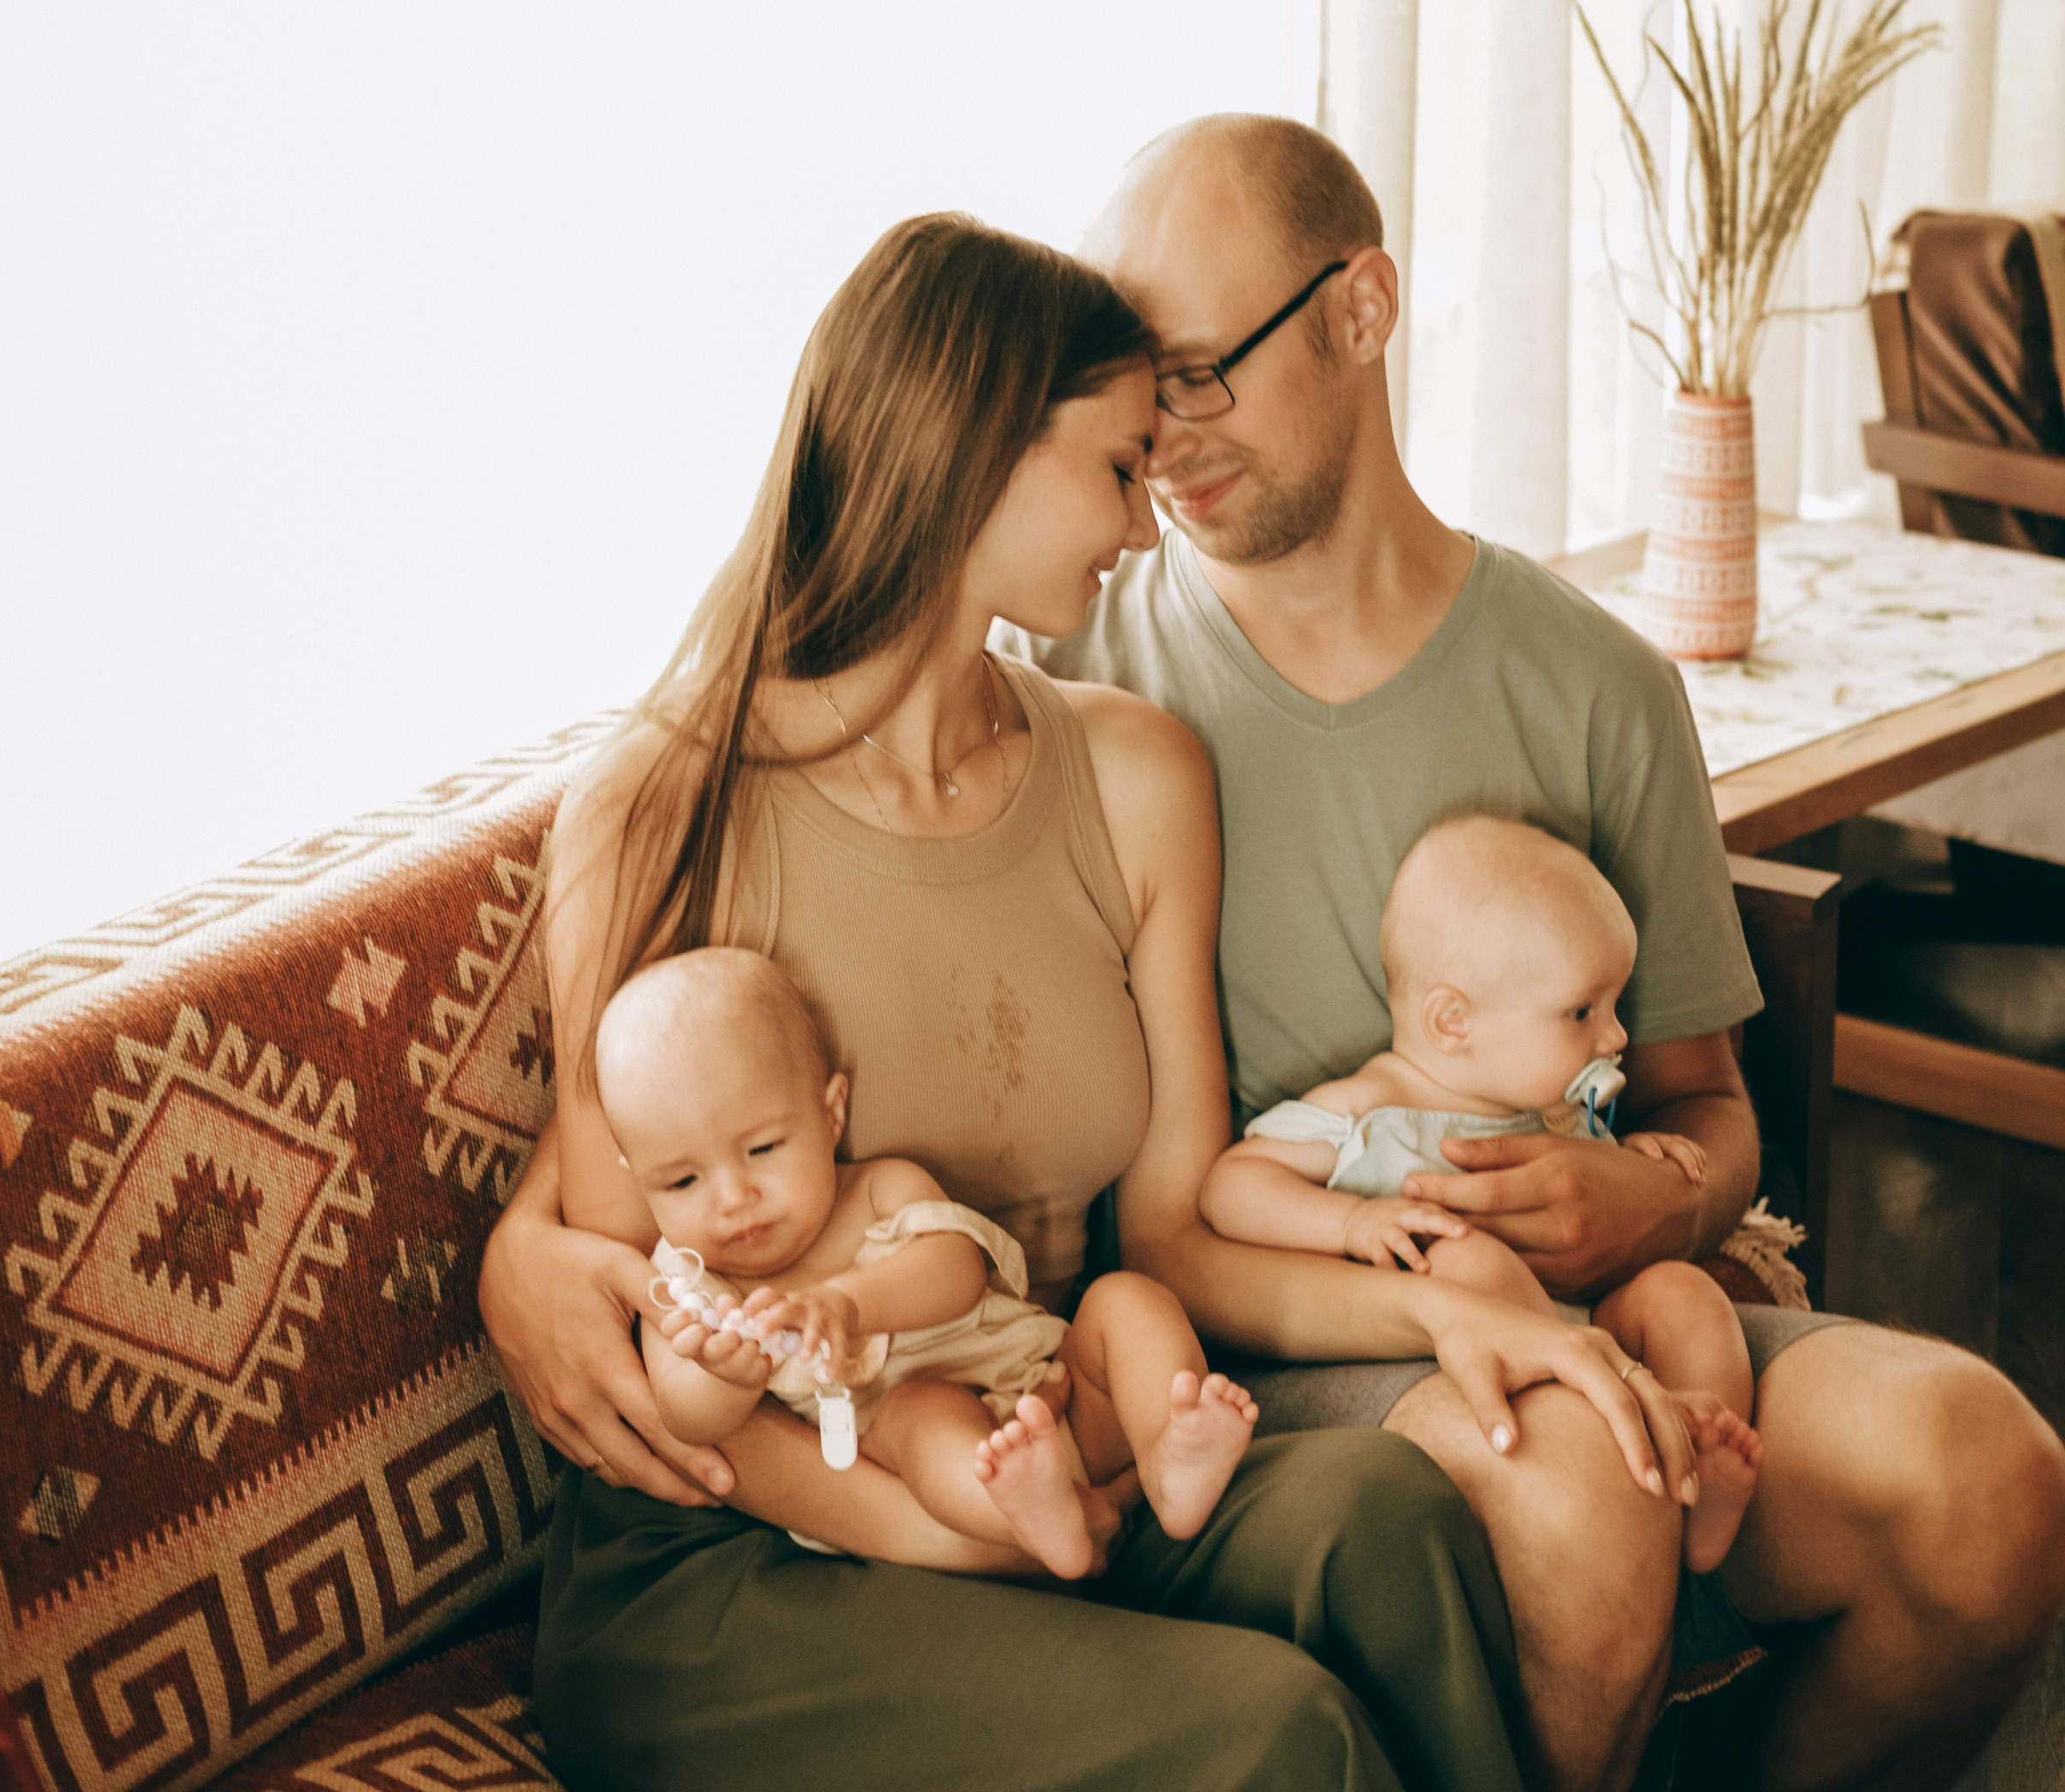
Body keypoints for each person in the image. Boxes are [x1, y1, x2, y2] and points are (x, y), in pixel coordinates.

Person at [503, 212, 1699, 1792]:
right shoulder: (663, 803)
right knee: (1277, 1733)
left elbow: (1182, 1234)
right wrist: (950, 1536)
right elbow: (655, 1341)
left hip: (1042, 1445)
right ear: (976, 451)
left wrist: (1444, 1309)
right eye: (1121, 467)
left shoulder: (1135, 776)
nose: (1148, 524)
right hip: (746, 1547)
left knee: (1386, 1517)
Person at [1014, 109, 2065, 1792]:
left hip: (1603, 1313)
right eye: (1141, 389)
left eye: (1201, 372)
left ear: (1361, 311)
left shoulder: (1596, 686)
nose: (1166, 438)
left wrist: (1656, 1200)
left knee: (1991, 1481)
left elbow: (1709, 1114)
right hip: (1261, 1370)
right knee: (1580, 1486)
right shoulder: (1078, 665)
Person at [1203, 814, 1763, 1575]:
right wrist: (1351, 1220)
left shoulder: (1559, 1106)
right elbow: (1231, 1187)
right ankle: (1640, 1426)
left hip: (1589, 1320)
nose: (1616, 1038)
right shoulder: (1367, 1112)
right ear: (1452, 1020)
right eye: (1583, 1012)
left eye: (1613, 1007)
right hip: (1452, 1352)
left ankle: (1696, 1486)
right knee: (1466, 1260)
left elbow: (1603, 1209)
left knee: (1685, 1296)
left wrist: (1634, 1157)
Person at [603, 944, 1261, 1579]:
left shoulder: (881, 1190)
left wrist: (847, 1304)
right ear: (638, 1177)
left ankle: (1170, 1452)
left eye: (763, 1149)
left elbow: (956, 1272)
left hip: (1061, 1393)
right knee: (919, 1411)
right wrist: (728, 1379)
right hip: (951, 1479)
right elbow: (684, 1417)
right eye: (681, 1181)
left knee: (1127, 1299)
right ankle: (1032, 1518)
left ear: (830, 1113)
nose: (732, 1199)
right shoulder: (687, 1286)